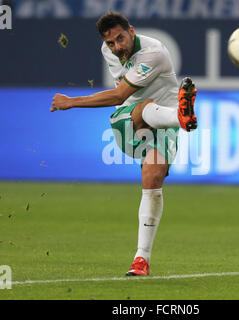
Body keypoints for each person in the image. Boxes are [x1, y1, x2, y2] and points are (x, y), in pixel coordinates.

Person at [50, 12, 197, 276]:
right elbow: (122, 98)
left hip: (163, 123)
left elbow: (118, 93)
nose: (117, 47)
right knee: (144, 107)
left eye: (120, 38)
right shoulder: (110, 52)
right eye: (111, 43)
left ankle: (141, 260)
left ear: (131, 30)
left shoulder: (154, 53)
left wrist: (71, 101)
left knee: (152, 178)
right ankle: (181, 116)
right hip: (127, 122)